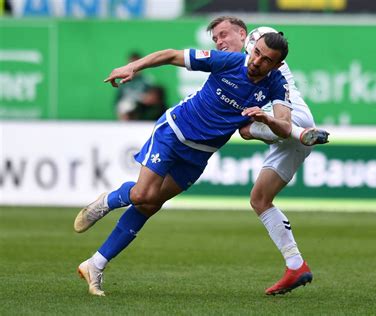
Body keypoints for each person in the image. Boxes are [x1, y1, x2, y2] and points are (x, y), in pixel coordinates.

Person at [74, 32, 306, 296]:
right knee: (142, 194)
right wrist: (133, 67)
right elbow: (172, 55)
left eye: (266, 60)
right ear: (252, 48)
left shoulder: (276, 84)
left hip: (200, 154)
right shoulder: (228, 61)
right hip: (174, 132)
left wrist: (266, 119)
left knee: (149, 206)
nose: (257, 61)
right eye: (257, 53)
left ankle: (95, 265)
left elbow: (285, 126)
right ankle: (108, 201)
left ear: (276, 66)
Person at [207, 16, 329, 295]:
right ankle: (296, 265)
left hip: (291, 117)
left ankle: (300, 133)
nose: (220, 42)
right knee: (259, 199)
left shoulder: (262, 37)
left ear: (243, 33)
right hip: (282, 134)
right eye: (215, 39)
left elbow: (278, 46)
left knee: (249, 128)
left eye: (224, 35)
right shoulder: (237, 67)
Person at [115, 52, 154, 120]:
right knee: (124, 106)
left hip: (141, 110)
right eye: (131, 64)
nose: (133, 67)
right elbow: (117, 100)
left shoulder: (147, 80)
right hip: (125, 109)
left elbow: (152, 99)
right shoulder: (123, 81)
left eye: (136, 64)